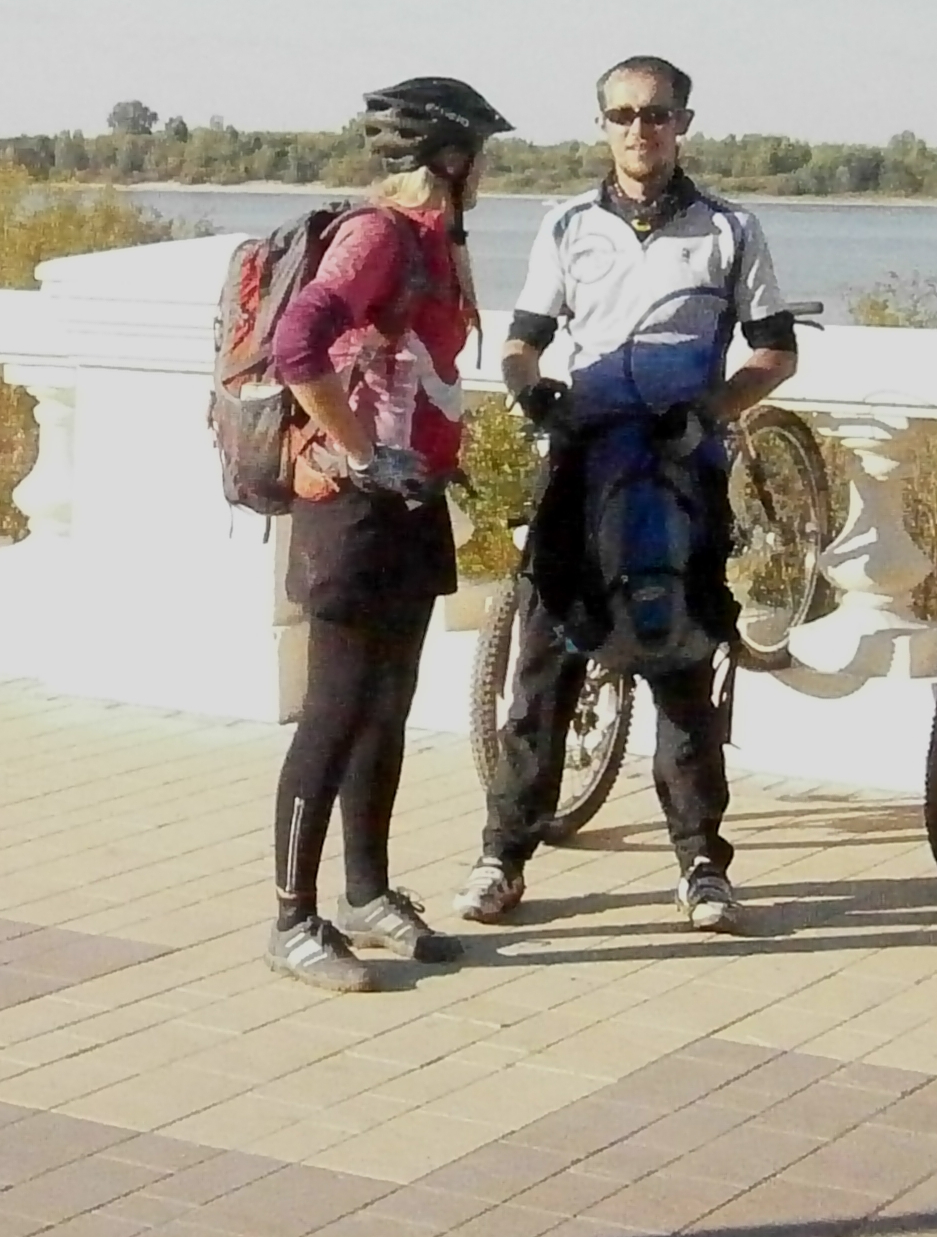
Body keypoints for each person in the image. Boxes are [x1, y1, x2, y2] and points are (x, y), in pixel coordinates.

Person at [452, 55, 798, 934]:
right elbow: (523, 342)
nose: (639, 130)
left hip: (680, 475)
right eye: (621, 115)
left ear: (683, 123)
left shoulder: (730, 229)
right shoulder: (567, 224)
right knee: (544, 670)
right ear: (601, 124)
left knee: (683, 670)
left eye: (655, 114)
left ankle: (701, 865)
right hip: (584, 469)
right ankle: (503, 854)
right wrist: (531, 391)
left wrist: (709, 410)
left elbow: (774, 351)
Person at [265, 76, 512, 991]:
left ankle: (366, 893)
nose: (486, 173)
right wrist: (362, 452)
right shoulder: (376, 236)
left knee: (387, 705)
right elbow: (297, 345)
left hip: (410, 503)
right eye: (481, 155)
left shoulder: (432, 242)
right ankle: (293, 919)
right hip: (352, 508)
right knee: (333, 711)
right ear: (451, 158)